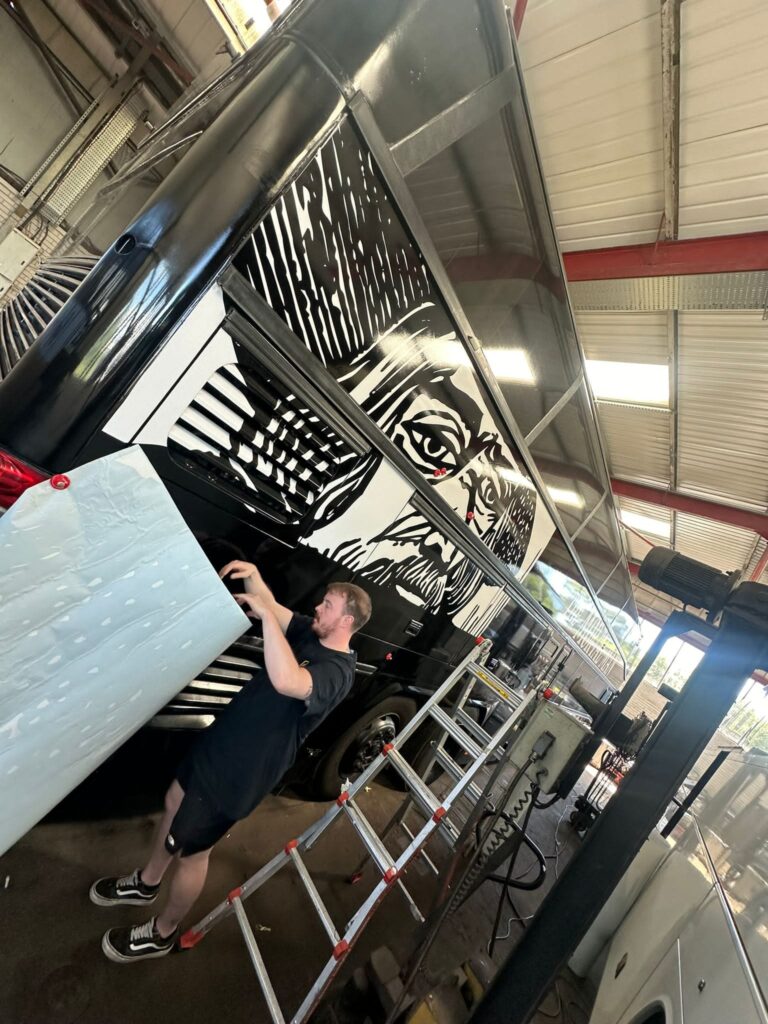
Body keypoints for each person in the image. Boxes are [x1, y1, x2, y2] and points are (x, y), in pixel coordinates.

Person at [90, 560, 371, 963]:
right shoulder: (312, 633)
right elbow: (273, 608)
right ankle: (147, 882)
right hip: (222, 743)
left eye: (327, 605)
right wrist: (253, 575)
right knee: (173, 800)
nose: (318, 607)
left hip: (242, 771)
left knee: (191, 851)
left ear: (346, 620)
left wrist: (266, 620)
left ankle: (162, 933)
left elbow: (289, 681)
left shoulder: (337, 672)